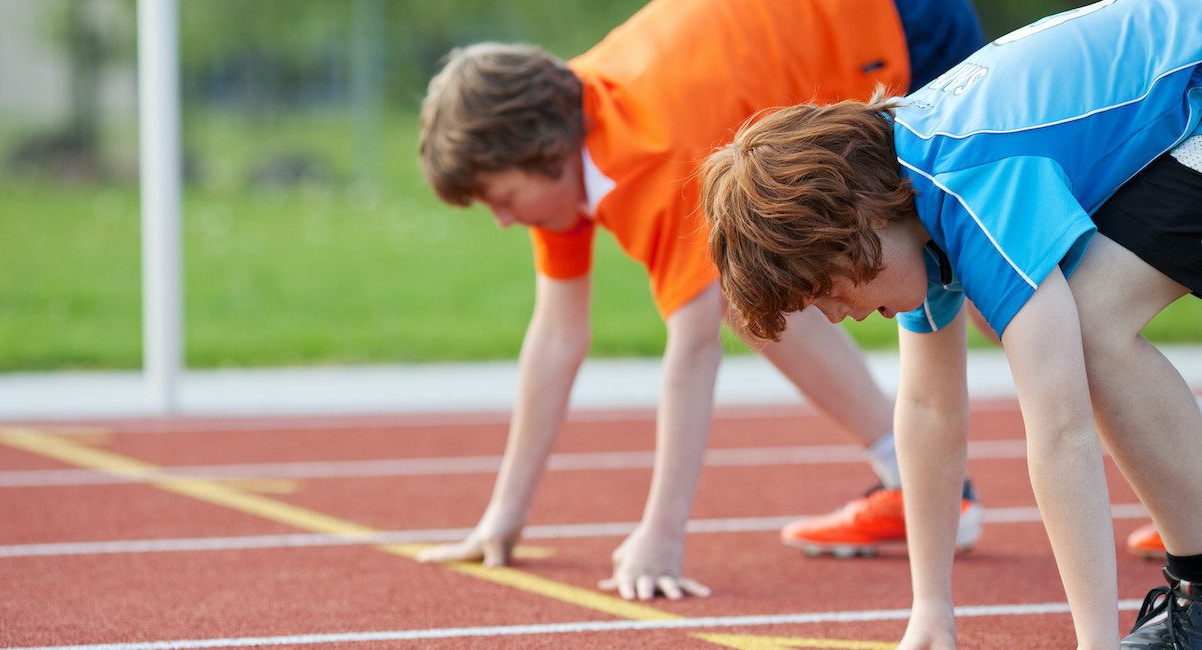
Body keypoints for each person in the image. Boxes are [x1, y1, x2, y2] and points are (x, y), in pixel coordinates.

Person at [415, 0, 986, 600]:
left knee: (989, 281)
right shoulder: (570, 130)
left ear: (543, 151)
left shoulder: (651, 148)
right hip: (846, 28)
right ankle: (913, 478)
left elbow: (693, 350)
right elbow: (556, 337)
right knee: (755, 295)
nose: (504, 220)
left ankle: (957, 470)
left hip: (899, 24)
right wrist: (504, 513)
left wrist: (661, 532)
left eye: (502, 198)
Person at [698, 0, 1201, 645]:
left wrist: (1093, 642)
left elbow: (1060, 429)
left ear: (865, 228)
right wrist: (931, 607)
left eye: (825, 290)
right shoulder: (909, 191)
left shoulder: (971, 184)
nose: (838, 317)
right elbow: (928, 406)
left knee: (1091, 331)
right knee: (1092, 324)